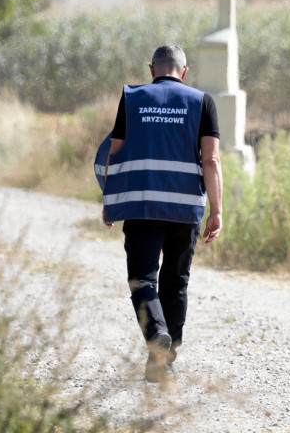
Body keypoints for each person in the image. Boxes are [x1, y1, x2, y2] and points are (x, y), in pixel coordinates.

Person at [94, 45, 223, 383]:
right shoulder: (202, 102)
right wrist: (217, 209)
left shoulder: (132, 98)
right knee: (176, 282)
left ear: (152, 69)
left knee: (143, 279)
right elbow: (211, 160)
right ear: (184, 71)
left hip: (142, 205)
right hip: (186, 208)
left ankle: (156, 337)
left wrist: (111, 199)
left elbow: (115, 151)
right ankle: (163, 362)